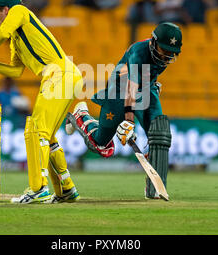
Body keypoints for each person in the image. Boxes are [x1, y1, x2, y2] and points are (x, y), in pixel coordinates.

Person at [0, 0, 83, 204]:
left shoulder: (20, 11)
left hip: (59, 74)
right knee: (47, 136)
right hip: (66, 76)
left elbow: (2, 31)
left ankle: (38, 188)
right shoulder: (16, 38)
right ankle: (66, 189)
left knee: (35, 130)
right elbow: (16, 71)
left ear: (6, 9)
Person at [66, 22, 180, 199]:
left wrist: (153, 85)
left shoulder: (162, 55)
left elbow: (148, 74)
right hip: (120, 90)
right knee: (101, 145)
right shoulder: (139, 52)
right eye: (164, 51)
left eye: (171, 53)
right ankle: (82, 116)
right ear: (153, 42)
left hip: (146, 88)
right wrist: (129, 121)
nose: (167, 56)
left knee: (159, 133)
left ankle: (155, 188)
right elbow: (131, 88)